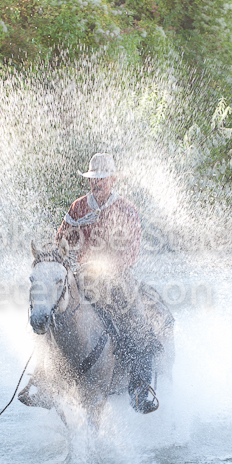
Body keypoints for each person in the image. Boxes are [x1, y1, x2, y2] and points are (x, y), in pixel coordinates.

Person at [55, 153, 161, 414]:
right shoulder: (78, 207)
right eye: (93, 179)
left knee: (138, 322)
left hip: (118, 278)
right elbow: (60, 239)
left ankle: (140, 388)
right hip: (82, 276)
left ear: (113, 180)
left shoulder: (126, 209)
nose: (97, 183)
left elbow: (132, 251)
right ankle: (43, 379)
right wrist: (62, 256)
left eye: (102, 178)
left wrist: (107, 266)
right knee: (53, 309)